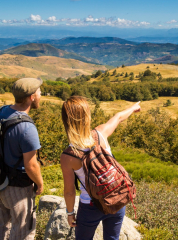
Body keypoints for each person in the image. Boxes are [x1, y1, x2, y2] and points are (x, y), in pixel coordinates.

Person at [60, 96, 141, 240]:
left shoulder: (68, 156)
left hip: (90, 206)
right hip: (116, 198)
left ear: (66, 121)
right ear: (87, 116)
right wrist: (134, 108)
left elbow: (69, 192)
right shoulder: (100, 133)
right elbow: (119, 117)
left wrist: (70, 213)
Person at [0, 78, 44, 240]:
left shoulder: (3, 111)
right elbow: (31, 166)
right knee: (23, 230)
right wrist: (40, 183)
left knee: (1, 224)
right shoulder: (27, 128)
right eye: (39, 91)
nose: (41, 94)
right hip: (18, 187)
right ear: (32, 97)